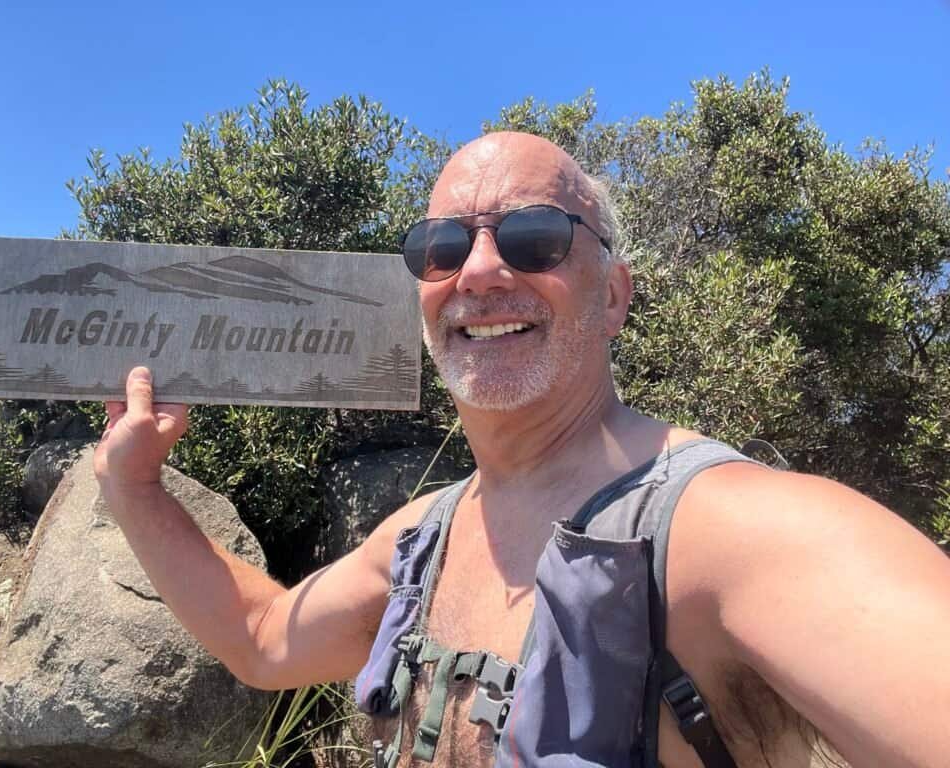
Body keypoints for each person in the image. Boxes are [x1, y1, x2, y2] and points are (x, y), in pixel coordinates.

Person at [95, 132, 950, 768]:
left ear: (612, 294)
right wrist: (137, 487)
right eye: (440, 248)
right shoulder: (421, 542)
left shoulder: (739, 532)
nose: (477, 271)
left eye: (534, 238)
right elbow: (260, 637)